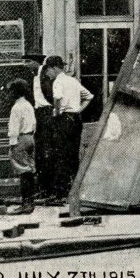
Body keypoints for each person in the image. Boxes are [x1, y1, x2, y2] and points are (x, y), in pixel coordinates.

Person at [44, 55, 93, 200]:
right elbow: (89, 96)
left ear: (53, 68)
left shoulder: (58, 81)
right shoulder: (72, 80)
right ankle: (75, 190)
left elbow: (57, 98)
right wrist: (78, 110)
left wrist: (57, 113)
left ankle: (61, 192)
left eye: (48, 70)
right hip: (75, 120)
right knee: (73, 155)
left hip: (63, 120)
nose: (48, 73)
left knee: (61, 155)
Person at [22, 53, 54, 200]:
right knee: (40, 151)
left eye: (28, 62)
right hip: (39, 113)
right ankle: (43, 188)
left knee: (46, 150)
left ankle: (48, 189)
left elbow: (51, 95)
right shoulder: (35, 76)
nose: (26, 65)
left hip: (46, 113)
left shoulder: (44, 74)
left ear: (36, 62)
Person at [6, 78, 36, 215]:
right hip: (30, 137)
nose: (9, 94)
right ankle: (30, 201)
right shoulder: (28, 105)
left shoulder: (16, 107)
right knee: (29, 170)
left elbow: (13, 129)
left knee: (23, 172)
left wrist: (13, 146)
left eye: (11, 91)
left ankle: (26, 204)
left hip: (20, 139)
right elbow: (34, 124)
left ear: (15, 92)